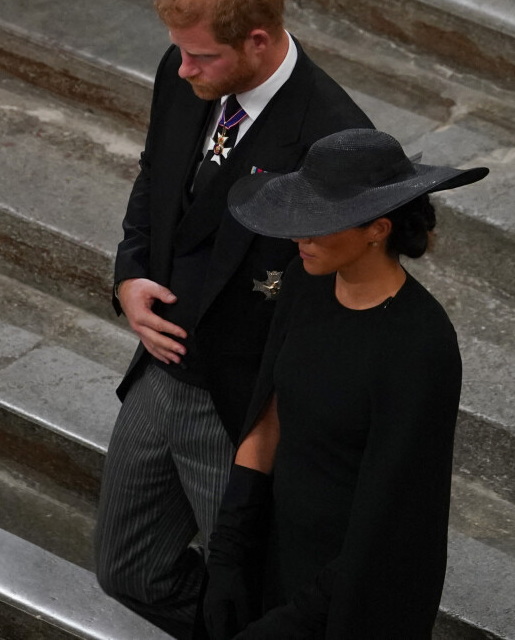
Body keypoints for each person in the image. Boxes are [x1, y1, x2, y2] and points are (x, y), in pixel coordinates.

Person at [94, 0, 373, 639]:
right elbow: (155, 177)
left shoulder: (332, 138)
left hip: (245, 406)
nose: (182, 68)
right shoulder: (183, 72)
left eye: (202, 57)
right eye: (179, 52)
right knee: (125, 566)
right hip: (162, 375)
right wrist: (130, 272)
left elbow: (338, 305)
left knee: (249, 593)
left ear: (257, 39)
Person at [204, 128, 489, 639]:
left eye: (318, 226)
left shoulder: (420, 344)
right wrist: (228, 550)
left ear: (377, 229)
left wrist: (298, 620)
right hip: (278, 547)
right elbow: (268, 416)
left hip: (357, 589)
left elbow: (392, 516)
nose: (299, 239)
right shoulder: (302, 284)